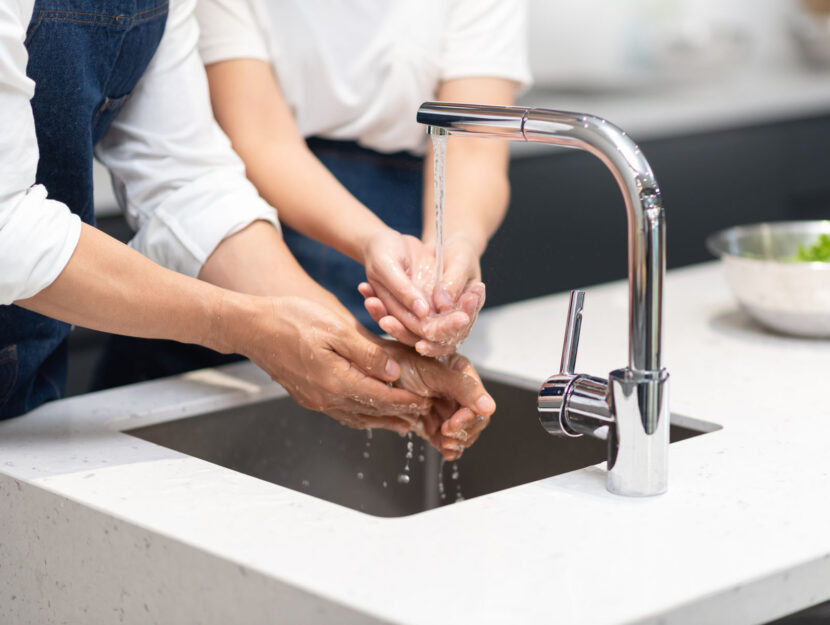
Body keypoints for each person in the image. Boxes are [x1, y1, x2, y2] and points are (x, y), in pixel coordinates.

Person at [0, 0, 495, 458]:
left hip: (28, 375)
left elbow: (184, 182)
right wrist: (243, 326)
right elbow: (8, 228)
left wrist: (362, 356)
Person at [195, 0, 532, 356]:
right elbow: (261, 137)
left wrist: (452, 250)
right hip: (263, 222)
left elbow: (473, 149)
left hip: (410, 214)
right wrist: (371, 239)